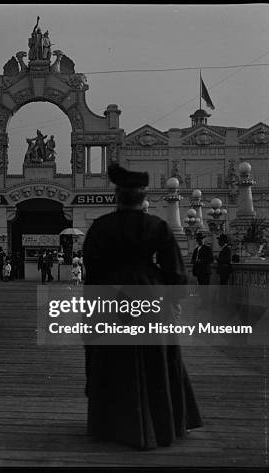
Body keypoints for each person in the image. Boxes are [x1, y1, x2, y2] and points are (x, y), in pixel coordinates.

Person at [82, 163, 202, 450]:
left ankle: (111, 426)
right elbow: (175, 273)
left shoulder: (101, 227)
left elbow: (93, 271)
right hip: (151, 298)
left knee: (112, 359)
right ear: (143, 199)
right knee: (156, 359)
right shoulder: (158, 226)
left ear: (117, 197)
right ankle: (161, 424)